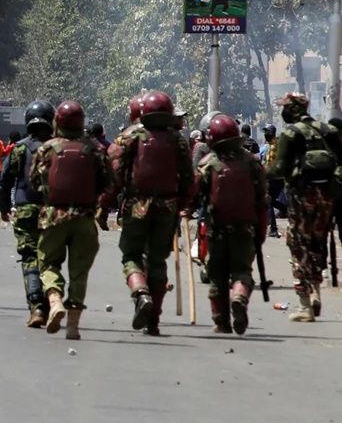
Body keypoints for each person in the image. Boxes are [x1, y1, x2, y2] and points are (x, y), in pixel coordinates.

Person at [100, 90, 195, 336]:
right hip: (168, 208)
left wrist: (103, 206)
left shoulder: (128, 138)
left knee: (131, 255)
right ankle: (154, 320)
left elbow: (115, 178)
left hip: (136, 206)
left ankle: (140, 292)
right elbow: (188, 179)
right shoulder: (179, 140)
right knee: (157, 260)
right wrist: (185, 205)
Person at [28, 100, 110, 341]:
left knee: (47, 263)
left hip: (53, 217)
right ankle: (73, 325)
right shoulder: (94, 149)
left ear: (58, 122)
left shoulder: (47, 149)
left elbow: (34, 183)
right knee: (79, 272)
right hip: (84, 218)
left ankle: (54, 300)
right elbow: (107, 182)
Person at [265, 92, 342, 322]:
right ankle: (316, 292)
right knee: (317, 245)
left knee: (298, 247)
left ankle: (305, 304)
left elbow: (279, 168)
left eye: (286, 107)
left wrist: (259, 173)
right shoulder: (328, 130)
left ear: (295, 108)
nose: (283, 111)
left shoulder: (291, 133)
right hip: (327, 197)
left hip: (301, 198)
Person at [197, 115, 269, 335]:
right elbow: (262, 201)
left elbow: (196, 194)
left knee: (217, 273)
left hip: (216, 229)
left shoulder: (207, 164)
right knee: (242, 270)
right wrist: (261, 232)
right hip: (245, 228)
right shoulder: (252, 163)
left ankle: (221, 322)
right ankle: (239, 296)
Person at [0, 101, 56, 328]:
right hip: (53, 213)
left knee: (30, 257)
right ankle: (50, 302)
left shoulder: (20, 149)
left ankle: (36, 307)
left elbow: (5, 181)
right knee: (50, 258)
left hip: (25, 211)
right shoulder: (59, 148)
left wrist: (3, 208)